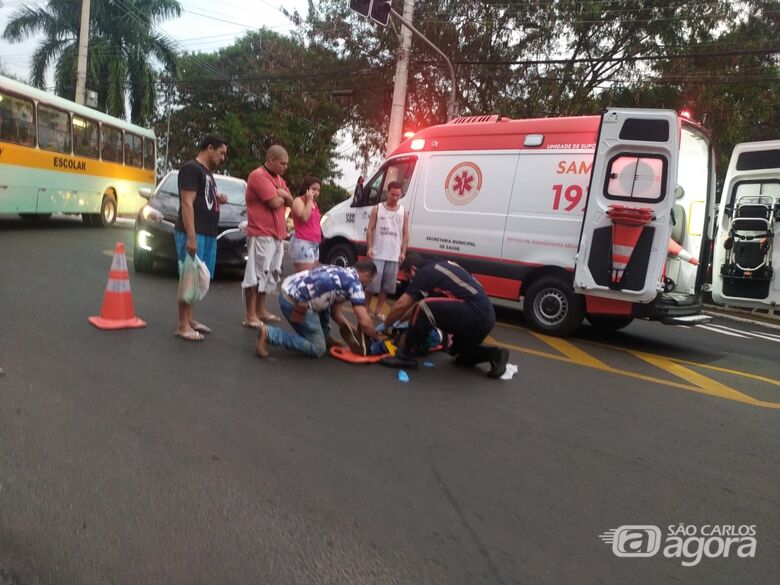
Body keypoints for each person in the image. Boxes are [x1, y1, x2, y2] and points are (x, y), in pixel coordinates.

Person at [379, 253, 509, 378]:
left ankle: (406, 356)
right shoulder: (440, 267)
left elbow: (403, 304)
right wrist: (398, 321)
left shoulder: (426, 272)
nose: (409, 282)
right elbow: (413, 307)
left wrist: (386, 325)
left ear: (413, 269)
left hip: (474, 311)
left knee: (424, 307)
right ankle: (495, 355)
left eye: (408, 277)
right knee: (459, 354)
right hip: (486, 317)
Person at [256, 260, 383, 359]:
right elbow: (365, 322)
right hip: (295, 302)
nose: (368, 284)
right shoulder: (354, 283)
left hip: (287, 291)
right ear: (365, 274)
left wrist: (353, 330)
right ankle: (270, 334)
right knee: (317, 349)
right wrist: (376, 338)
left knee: (326, 303)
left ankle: (325, 337)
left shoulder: (340, 271)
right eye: (370, 280)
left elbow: (335, 312)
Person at [173, 135, 229, 342]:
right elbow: (187, 203)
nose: (223, 158)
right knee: (188, 276)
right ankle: (182, 325)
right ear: (210, 148)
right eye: (221, 153)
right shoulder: (191, 169)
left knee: (197, 278)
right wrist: (191, 236)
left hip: (207, 233)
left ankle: (190, 319)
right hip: (194, 232)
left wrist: (218, 199)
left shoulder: (207, 173)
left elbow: (201, 201)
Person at [242, 145, 294, 328]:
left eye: (286, 164)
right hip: (261, 234)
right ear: (270, 159)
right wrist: (281, 197)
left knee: (269, 274)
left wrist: (283, 194)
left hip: (277, 235)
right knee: (255, 275)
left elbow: (291, 201)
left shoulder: (279, 179)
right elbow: (273, 203)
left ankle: (261, 310)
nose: (285, 167)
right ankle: (250, 315)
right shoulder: (258, 175)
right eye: (282, 163)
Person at [366, 180, 409, 320]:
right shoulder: (377, 209)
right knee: (372, 284)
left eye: (398, 195)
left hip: (394, 255)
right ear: (387, 193)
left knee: (387, 286)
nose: (395, 198)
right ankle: (365, 308)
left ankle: (378, 310)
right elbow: (370, 229)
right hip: (378, 253)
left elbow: (405, 233)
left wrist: (403, 252)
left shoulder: (403, 212)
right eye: (393, 194)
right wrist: (370, 247)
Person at [289, 176, 322, 272]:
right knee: (304, 278)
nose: (316, 192)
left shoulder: (314, 204)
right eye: (313, 189)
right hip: (303, 242)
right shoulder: (299, 201)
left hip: (315, 243)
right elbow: (304, 217)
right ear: (306, 188)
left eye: (318, 190)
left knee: (313, 277)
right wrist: (309, 200)